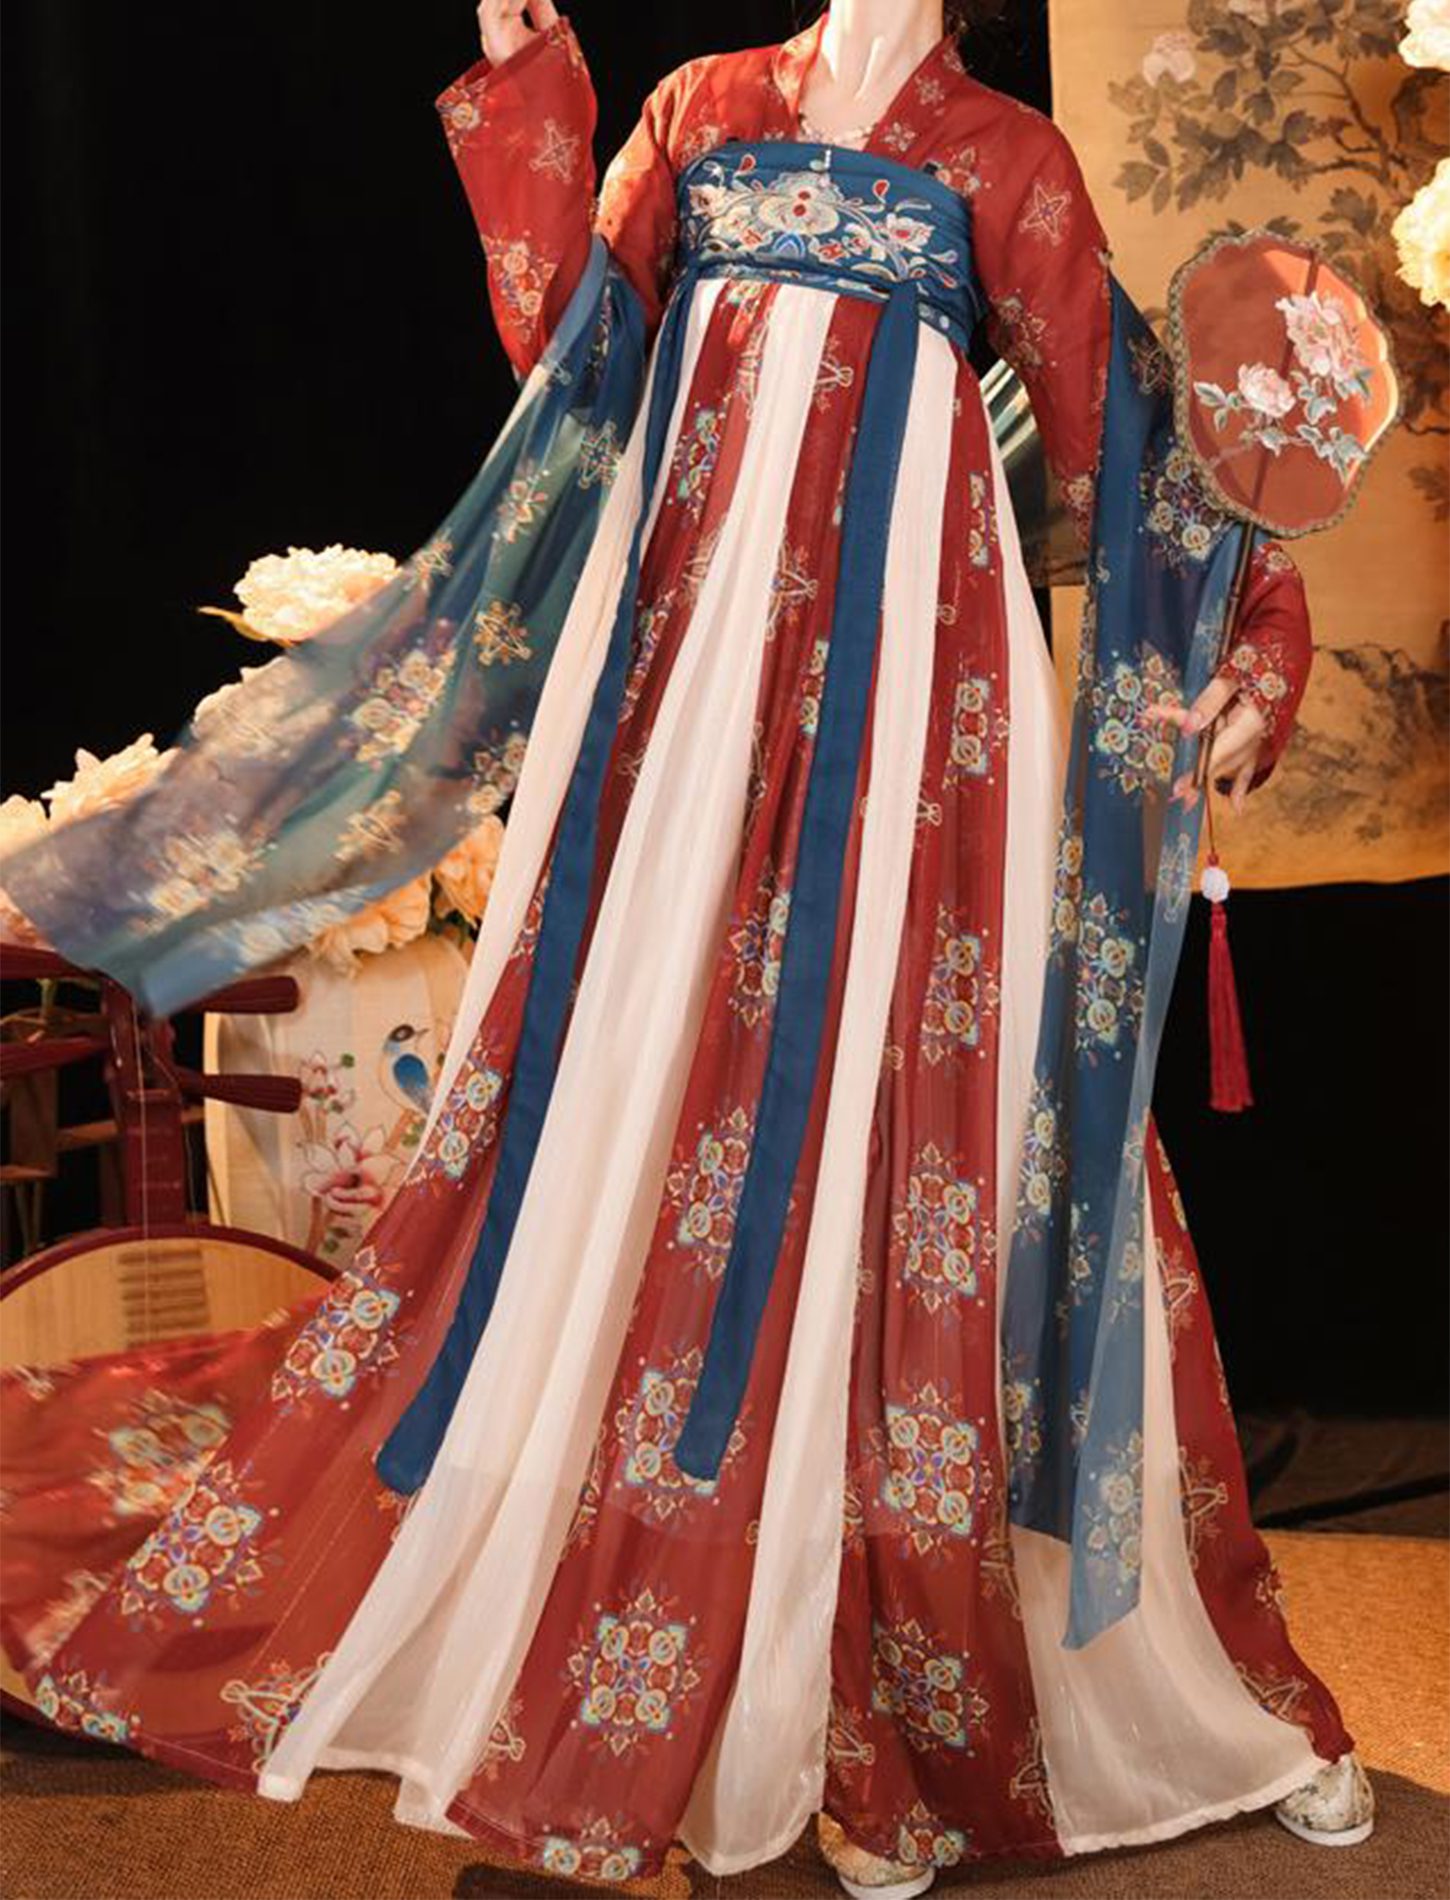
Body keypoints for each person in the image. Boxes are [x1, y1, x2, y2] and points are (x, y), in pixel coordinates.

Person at [0, 3, 1376, 1895]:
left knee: (911, 1116)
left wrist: (1252, 647)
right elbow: (574, 356)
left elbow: (1118, 444)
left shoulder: (1010, 158)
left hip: (920, 720)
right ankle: (690, 1636)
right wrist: (531, 95)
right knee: (656, 1085)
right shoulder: (702, 108)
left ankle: (883, 1678)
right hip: (692, 692)